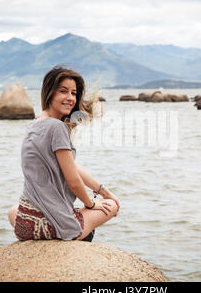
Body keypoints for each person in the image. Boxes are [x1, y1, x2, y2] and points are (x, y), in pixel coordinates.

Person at [7, 66, 119, 241]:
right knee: (110, 206)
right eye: (63, 91)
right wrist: (91, 204)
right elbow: (73, 181)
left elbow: (71, 166)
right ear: (50, 93)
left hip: (25, 225)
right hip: (53, 226)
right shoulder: (57, 127)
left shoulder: (34, 124)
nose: (70, 98)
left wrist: (103, 191)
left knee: (14, 210)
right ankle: (76, 240)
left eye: (74, 93)